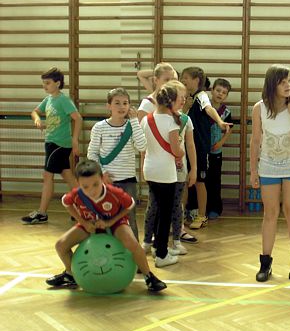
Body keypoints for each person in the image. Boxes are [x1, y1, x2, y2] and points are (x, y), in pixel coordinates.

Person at [45, 159, 166, 292]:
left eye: (95, 184)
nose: (92, 190)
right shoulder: (76, 194)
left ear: (102, 179)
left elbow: (130, 204)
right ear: (78, 183)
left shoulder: (114, 192)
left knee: (132, 243)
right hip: (89, 225)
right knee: (60, 245)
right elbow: (66, 203)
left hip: (115, 224)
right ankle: (70, 274)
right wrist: (83, 222)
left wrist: (110, 222)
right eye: (85, 187)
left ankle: (149, 276)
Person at [250, 65, 290, 282]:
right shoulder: (259, 108)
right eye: (283, 82)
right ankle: (265, 263)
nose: (288, 85)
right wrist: (253, 170)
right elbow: (255, 140)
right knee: (270, 213)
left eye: (289, 81)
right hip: (268, 165)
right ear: (272, 84)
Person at [141, 81, 197, 256]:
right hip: (166, 171)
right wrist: (180, 152)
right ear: (171, 100)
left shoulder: (148, 119)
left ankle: (164, 244)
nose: (183, 100)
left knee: (166, 207)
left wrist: (193, 168)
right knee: (161, 211)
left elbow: (142, 145)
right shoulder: (171, 121)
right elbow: (176, 150)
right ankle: (158, 249)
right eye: (180, 97)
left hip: (158, 169)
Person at [22, 67, 83, 224]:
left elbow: (78, 118)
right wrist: (37, 119)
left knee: (47, 175)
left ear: (57, 83)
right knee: (67, 175)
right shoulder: (48, 99)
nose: (45, 86)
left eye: (48, 83)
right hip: (50, 142)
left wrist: (75, 140)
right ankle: (84, 207)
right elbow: (34, 111)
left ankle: (42, 213)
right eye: (43, 83)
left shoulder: (63, 100)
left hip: (59, 144)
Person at [87, 88, 146, 241]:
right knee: (104, 216)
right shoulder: (99, 127)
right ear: (109, 106)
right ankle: (105, 249)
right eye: (117, 103)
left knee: (130, 218)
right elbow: (92, 153)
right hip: (107, 182)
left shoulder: (132, 125)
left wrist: (135, 121)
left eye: (125, 103)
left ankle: (133, 251)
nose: (122, 107)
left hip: (128, 181)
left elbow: (142, 146)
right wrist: (101, 174)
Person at [180, 67, 231, 229]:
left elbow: (209, 109)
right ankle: (181, 214)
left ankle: (202, 216)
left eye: (186, 77)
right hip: (185, 146)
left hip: (200, 147)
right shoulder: (186, 98)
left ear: (196, 80)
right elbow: (180, 118)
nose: (183, 80)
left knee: (199, 181)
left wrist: (220, 122)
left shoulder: (202, 96)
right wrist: (185, 107)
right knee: (185, 181)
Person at [206, 78, 233, 219]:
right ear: (211, 90)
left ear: (226, 96)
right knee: (201, 181)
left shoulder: (226, 111)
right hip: (201, 150)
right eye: (218, 90)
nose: (220, 94)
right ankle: (200, 208)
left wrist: (221, 142)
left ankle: (215, 208)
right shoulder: (204, 107)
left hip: (216, 151)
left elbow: (229, 130)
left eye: (223, 92)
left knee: (214, 181)